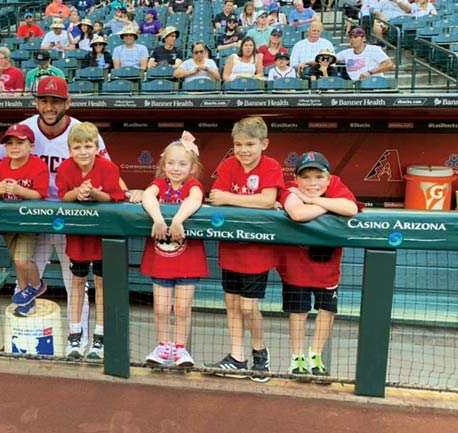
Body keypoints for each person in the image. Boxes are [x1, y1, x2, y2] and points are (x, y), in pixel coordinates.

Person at [0, 76, 137, 355]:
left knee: (76, 283)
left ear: (67, 103)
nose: (49, 107)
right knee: (23, 277)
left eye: (55, 101)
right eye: (44, 100)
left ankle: (80, 342)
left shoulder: (81, 133)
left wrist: (127, 193)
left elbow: (108, 169)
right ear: (37, 102)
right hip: (33, 216)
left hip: (71, 217)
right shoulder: (23, 131)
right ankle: (21, 339)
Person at [207, 116, 284, 381]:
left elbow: (266, 200)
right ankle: (237, 357)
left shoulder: (271, 166)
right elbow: (215, 197)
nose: (243, 150)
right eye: (238, 144)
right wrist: (246, 201)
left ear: (264, 144)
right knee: (231, 304)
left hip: (258, 251)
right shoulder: (229, 165)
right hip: (230, 247)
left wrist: (232, 198)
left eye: (249, 144)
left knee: (249, 307)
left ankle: (260, 354)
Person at [277, 151, 360, 376]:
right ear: (296, 178)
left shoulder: (335, 185)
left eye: (318, 177)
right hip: (296, 267)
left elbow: (350, 208)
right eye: (305, 177)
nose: (312, 183)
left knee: (327, 310)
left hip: (327, 267)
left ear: (328, 177)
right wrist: (329, 206)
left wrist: (312, 199)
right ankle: (297, 358)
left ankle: (315, 355)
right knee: (298, 312)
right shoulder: (289, 188)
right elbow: (297, 213)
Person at [56, 122, 125, 359]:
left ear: (97, 147)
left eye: (88, 146)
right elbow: (64, 196)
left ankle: (100, 337)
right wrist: (78, 192)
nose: (83, 151)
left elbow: (115, 197)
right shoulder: (65, 168)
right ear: (70, 150)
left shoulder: (108, 167)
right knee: (77, 283)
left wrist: (95, 193)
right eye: (77, 147)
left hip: (103, 236)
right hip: (78, 236)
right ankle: (75, 335)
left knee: (102, 284)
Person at [141, 132, 208, 367]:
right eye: (171, 163)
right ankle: (163, 346)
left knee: (181, 308)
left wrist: (178, 220)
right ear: (163, 165)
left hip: (187, 257)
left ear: (192, 166)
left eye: (182, 164)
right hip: (161, 256)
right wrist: (158, 219)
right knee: (160, 308)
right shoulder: (159, 184)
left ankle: (180, 350)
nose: (176, 168)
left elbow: (196, 199)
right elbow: (148, 196)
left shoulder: (192, 184)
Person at [0, 123, 49, 317]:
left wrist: (19, 190)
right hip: (8, 223)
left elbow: (40, 195)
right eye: (10, 143)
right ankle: (27, 299)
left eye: (19, 142)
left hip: (29, 222)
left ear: (31, 146)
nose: (14, 147)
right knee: (17, 262)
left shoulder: (38, 165)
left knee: (22, 259)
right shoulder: (2, 165)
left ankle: (37, 285)